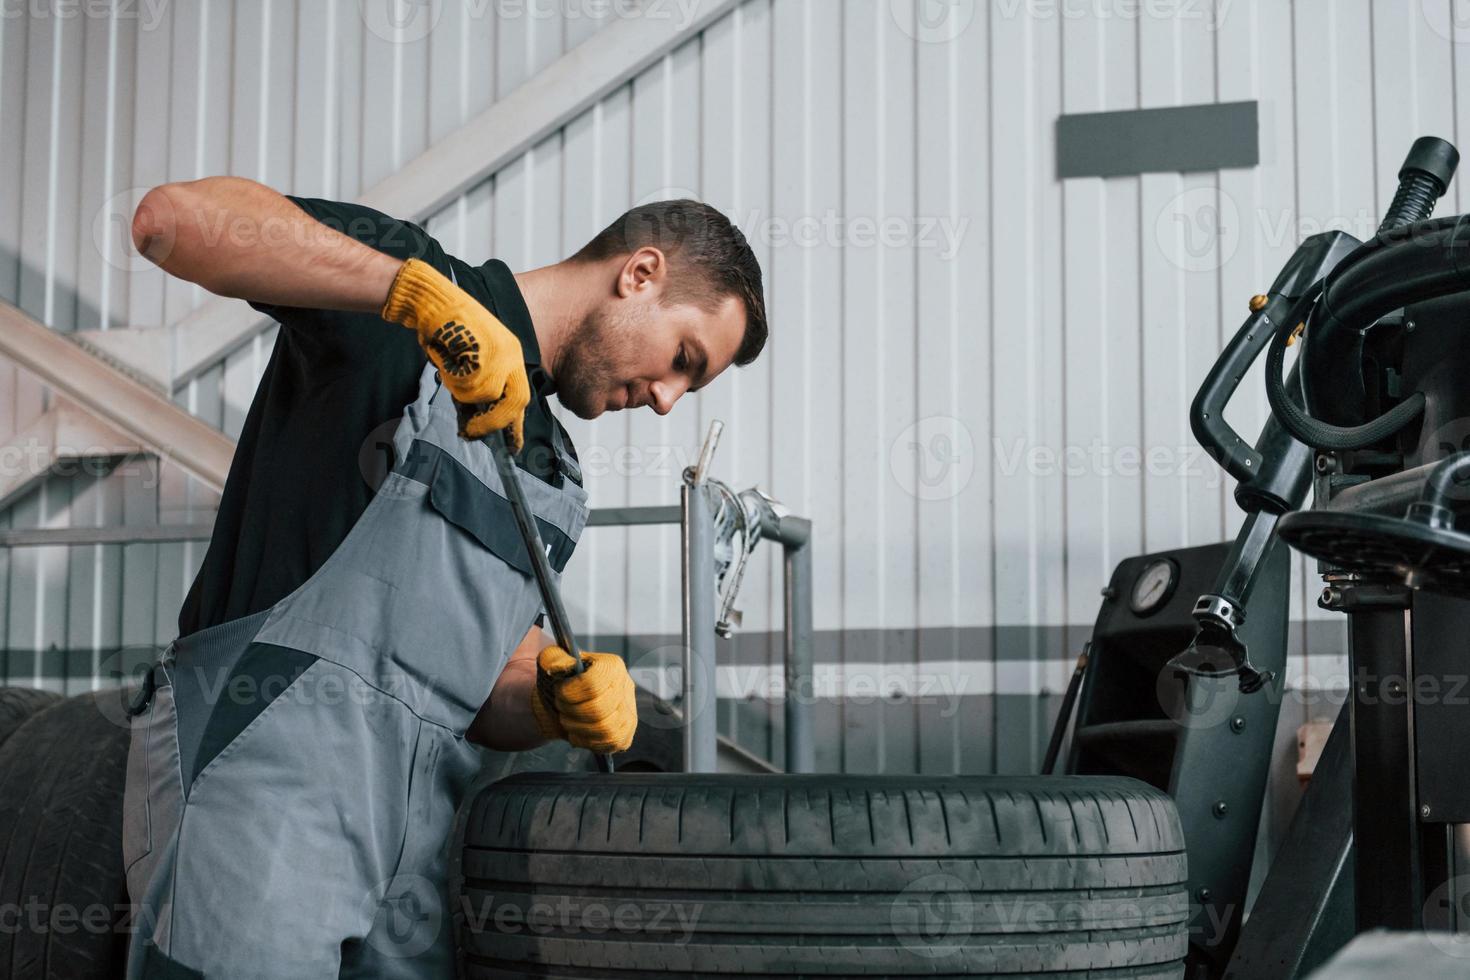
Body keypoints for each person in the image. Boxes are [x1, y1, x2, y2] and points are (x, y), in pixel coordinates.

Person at [120, 176, 768, 978]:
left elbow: (473, 684)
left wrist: (547, 698)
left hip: (414, 861)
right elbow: (171, 223)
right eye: (682, 360)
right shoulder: (413, 293)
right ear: (640, 273)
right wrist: (417, 297)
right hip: (261, 796)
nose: (668, 401)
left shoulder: (555, 474)